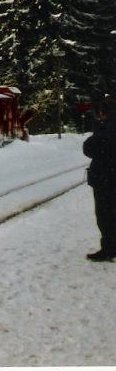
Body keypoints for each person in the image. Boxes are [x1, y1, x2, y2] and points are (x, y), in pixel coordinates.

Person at [82, 95, 116, 262]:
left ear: (104, 113)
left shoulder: (106, 129)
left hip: (106, 178)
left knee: (105, 215)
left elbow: (89, 148)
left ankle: (109, 248)